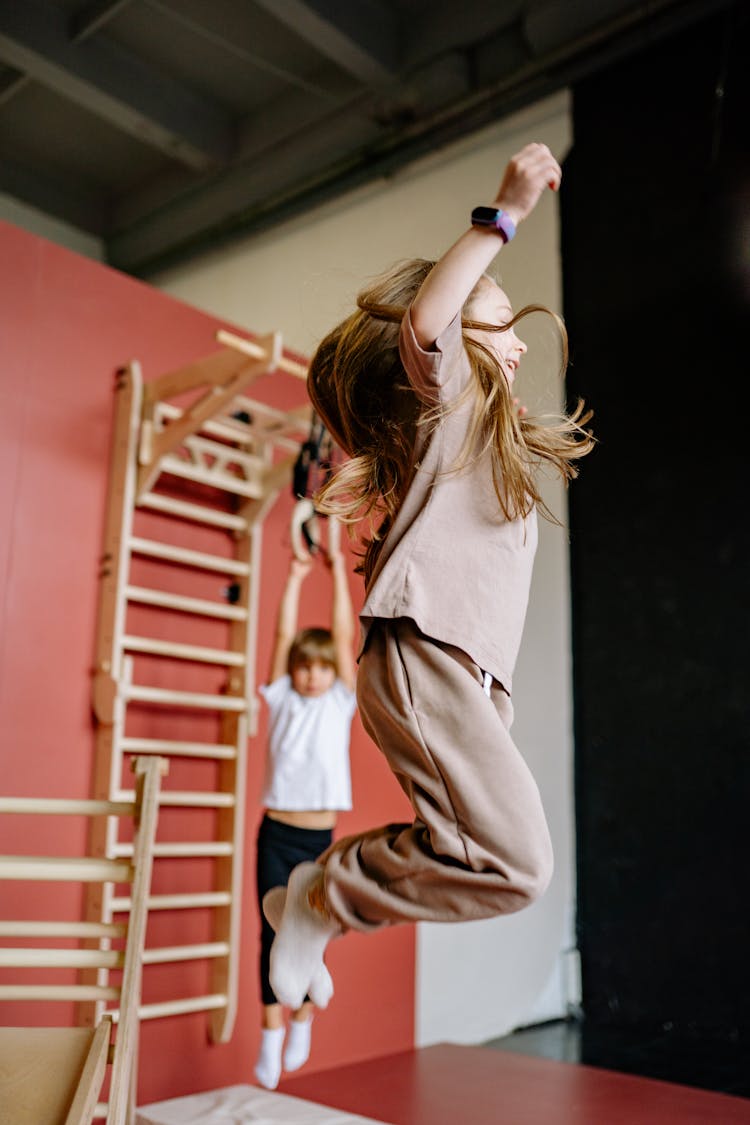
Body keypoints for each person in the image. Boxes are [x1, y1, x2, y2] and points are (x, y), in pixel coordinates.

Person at [263, 141, 595, 1015]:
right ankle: (322, 894)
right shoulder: (444, 395)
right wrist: (506, 212)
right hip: (427, 655)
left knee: (500, 865)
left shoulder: (474, 436)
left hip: (467, 678)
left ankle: (322, 895)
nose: (514, 342)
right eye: (494, 320)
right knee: (522, 862)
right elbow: (426, 324)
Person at [254, 546, 357, 1089]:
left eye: (321, 668)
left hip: (319, 834)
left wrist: (339, 571)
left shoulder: (339, 701)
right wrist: (293, 577)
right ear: (293, 671)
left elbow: (343, 637)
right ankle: (271, 1034)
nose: (314, 676)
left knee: (312, 933)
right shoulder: (282, 699)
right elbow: (279, 636)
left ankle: (302, 1022)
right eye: (304, 667)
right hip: (277, 832)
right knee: (271, 936)